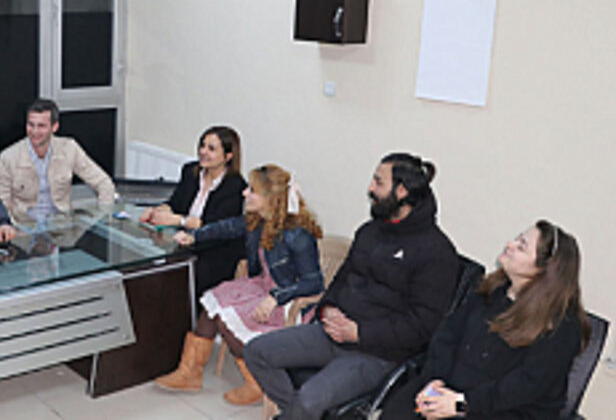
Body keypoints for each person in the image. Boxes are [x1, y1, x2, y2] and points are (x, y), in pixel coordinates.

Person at [244, 152, 460, 420]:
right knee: (257, 352)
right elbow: (341, 281)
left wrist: (359, 333)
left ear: (402, 191)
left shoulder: (436, 252)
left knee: (309, 400)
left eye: (378, 182)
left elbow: (422, 326)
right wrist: (328, 310)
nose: (370, 188)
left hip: (378, 353)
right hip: (333, 332)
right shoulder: (369, 232)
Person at [381, 220, 589, 420]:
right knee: (399, 410)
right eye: (517, 239)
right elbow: (447, 336)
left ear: (544, 270)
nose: (510, 244)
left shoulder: (562, 328)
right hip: (453, 391)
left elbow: (522, 388)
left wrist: (460, 404)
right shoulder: (491, 290)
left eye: (521, 247)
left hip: (503, 410)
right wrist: (435, 381)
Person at [156, 164, 324, 407]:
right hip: (262, 286)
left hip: (286, 300)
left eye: (252, 190)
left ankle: (257, 382)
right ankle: (190, 372)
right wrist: (194, 236)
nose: (245, 193)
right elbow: (226, 227)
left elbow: (314, 282)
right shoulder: (258, 221)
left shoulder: (298, 234)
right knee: (212, 301)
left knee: (225, 319)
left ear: (270, 198)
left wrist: (275, 297)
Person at [139, 126, 248, 300]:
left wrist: (178, 220)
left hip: (215, 250)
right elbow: (175, 203)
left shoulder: (236, 186)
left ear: (228, 156)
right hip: (183, 243)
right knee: (148, 267)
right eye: (202, 146)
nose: (203, 152)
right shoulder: (190, 171)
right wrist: (157, 210)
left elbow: (215, 225)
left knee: (179, 278)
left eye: (211, 149)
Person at [0, 98, 115, 221]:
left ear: (55, 127)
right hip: (24, 227)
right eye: (31, 125)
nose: (35, 131)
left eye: (41, 126)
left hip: (62, 226)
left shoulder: (69, 148)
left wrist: (103, 217)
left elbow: (104, 183)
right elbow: (0, 204)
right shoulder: (8, 157)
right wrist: (11, 227)